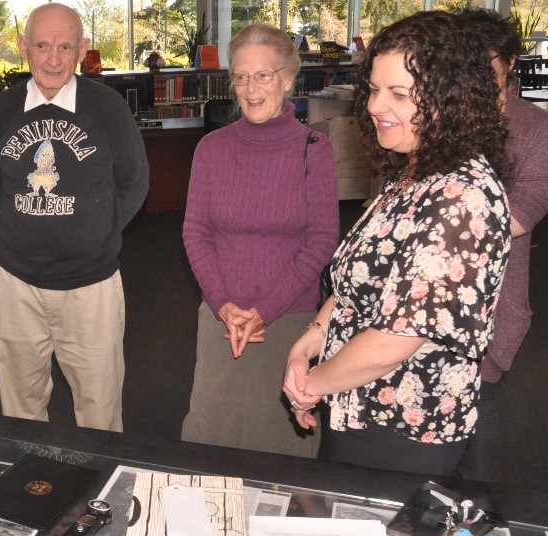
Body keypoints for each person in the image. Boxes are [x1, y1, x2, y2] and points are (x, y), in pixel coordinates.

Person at [283, 11, 512, 476]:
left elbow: (394, 340)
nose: (374, 105)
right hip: (357, 404)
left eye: (400, 93)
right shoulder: (415, 170)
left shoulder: (462, 198)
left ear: (452, 100)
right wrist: (311, 339)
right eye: (374, 88)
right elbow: (359, 276)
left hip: (403, 427)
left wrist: (311, 384)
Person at [0, 2, 149, 432]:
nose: (53, 58)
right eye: (42, 45)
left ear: (82, 50)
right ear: (24, 48)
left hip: (90, 287)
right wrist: (29, 226)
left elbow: (135, 182)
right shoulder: (1, 111)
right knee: (21, 402)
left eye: (64, 46)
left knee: (99, 405)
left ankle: (97, 490)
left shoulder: (107, 108)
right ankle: (26, 483)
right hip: (16, 282)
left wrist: (96, 232)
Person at [180, 22, 339, 457]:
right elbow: (196, 232)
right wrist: (223, 305)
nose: (251, 89)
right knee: (210, 439)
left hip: (288, 324)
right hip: (221, 319)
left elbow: (322, 241)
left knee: (283, 449)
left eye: (263, 76)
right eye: (241, 77)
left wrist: (264, 312)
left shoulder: (313, 149)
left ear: (288, 79)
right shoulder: (211, 149)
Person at [456, 9, 548, 482]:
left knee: (476, 413)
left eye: (484, 61)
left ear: (509, 61)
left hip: (490, 300)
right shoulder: (439, 115)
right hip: (419, 299)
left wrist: (434, 222)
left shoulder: (535, 128)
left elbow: (520, 214)